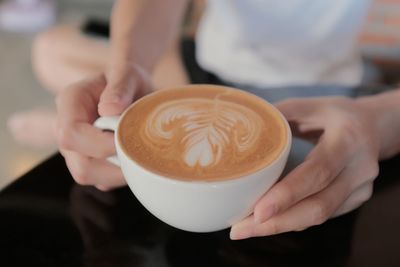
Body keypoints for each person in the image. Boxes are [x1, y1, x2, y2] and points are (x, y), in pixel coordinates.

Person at [30, 0, 400, 240]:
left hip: (319, 93)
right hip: (207, 70)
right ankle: (76, 124)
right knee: (50, 47)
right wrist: (130, 65)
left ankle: (45, 127)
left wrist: (379, 120)